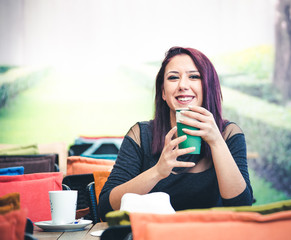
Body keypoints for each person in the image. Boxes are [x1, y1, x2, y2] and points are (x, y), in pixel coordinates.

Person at [98, 46, 253, 220]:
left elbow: (243, 207)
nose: (183, 85)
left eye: (194, 76)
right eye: (173, 78)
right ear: (163, 92)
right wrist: (158, 171)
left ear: (207, 87)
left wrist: (216, 141)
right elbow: (105, 209)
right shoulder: (141, 135)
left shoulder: (228, 134)